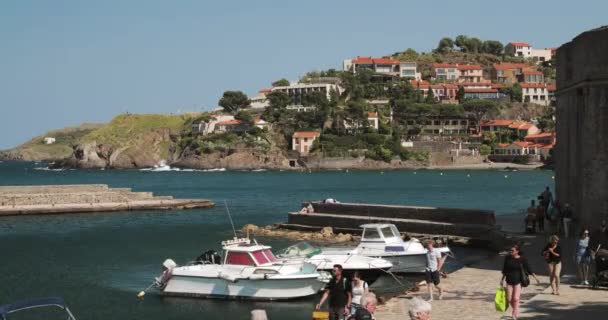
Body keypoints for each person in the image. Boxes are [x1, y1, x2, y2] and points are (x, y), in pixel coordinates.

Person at [501, 244, 540, 320]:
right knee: (509, 299)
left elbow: (529, 268)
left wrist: (535, 277)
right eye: (510, 250)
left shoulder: (522, 259)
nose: (510, 252)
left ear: (517, 251)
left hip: (518, 281)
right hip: (509, 281)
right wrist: (502, 280)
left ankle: (514, 313)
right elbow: (505, 270)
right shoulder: (507, 258)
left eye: (512, 250)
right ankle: (515, 309)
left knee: (515, 298)